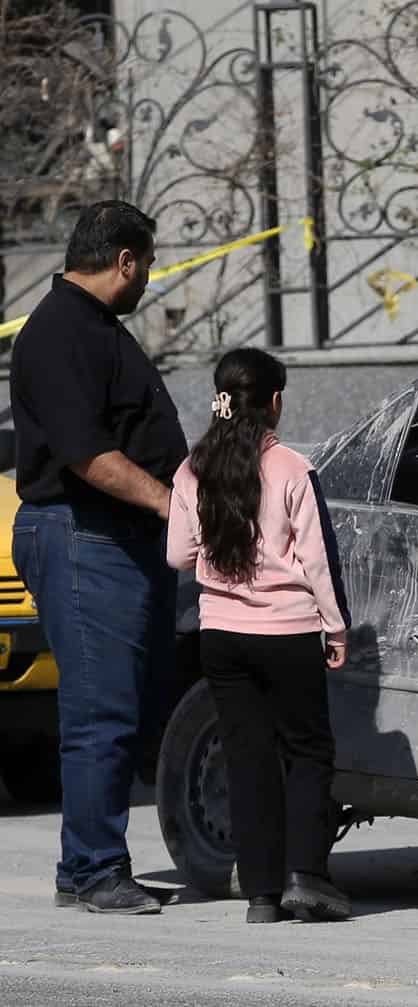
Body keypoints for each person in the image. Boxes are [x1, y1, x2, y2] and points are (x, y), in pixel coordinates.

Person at [10, 200, 186, 915]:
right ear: (124, 260)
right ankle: (94, 869)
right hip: (84, 536)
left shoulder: (94, 329)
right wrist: (173, 503)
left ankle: (83, 863)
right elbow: (87, 455)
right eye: (145, 262)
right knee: (99, 712)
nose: (148, 276)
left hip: (116, 541)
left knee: (128, 708)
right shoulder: (58, 333)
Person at [165, 348, 353, 924]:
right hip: (289, 630)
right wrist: (336, 626)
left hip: (221, 635)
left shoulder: (192, 470)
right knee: (307, 751)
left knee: (247, 758)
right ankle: (306, 877)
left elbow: (177, 555)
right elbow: (318, 560)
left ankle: (261, 896)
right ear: (273, 402)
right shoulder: (292, 468)